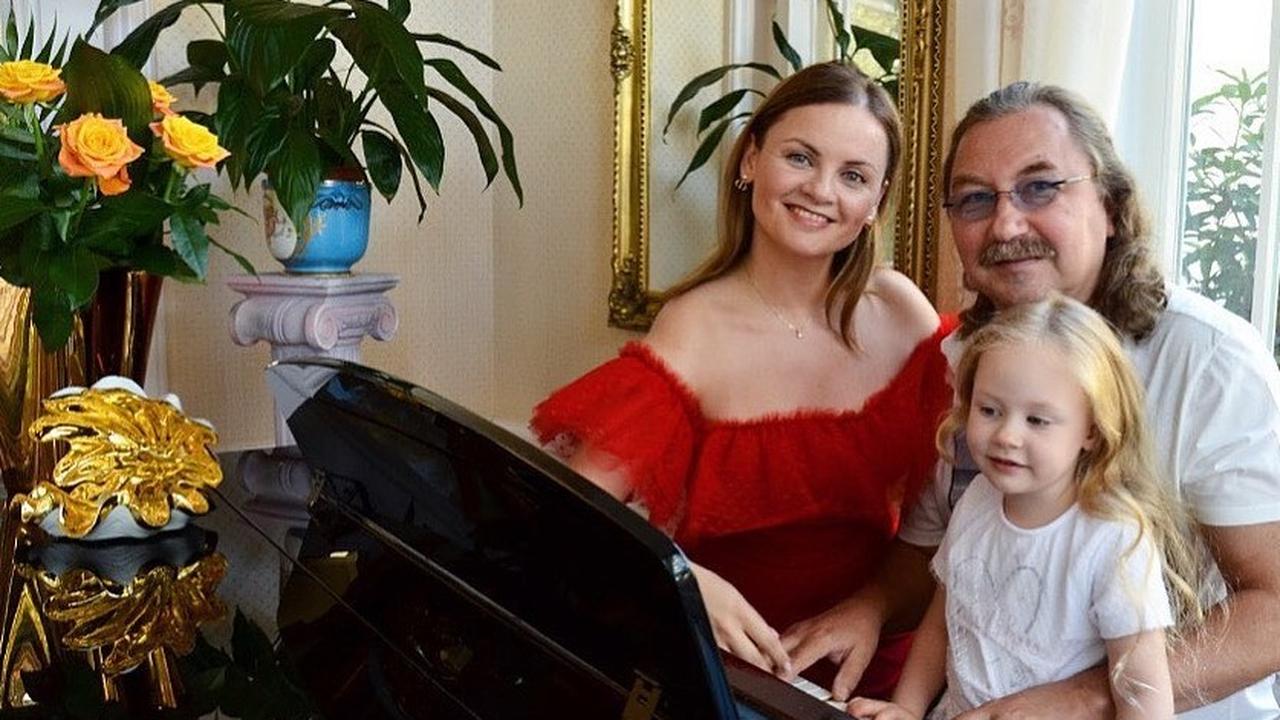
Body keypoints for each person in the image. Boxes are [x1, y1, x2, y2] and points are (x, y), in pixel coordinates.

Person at [786, 82, 1280, 718]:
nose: (1006, 223)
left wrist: (1081, 698)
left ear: (1110, 206)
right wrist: (871, 607)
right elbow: (941, 555)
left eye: (1040, 187)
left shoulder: (1209, 361)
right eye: (975, 198)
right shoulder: (963, 357)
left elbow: (1274, 607)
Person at [530, 62, 953, 696]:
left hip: (880, 668)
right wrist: (687, 579)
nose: (821, 190)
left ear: (875, 203)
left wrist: (872, 610)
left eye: (854, 176)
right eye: (801, 157)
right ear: (751, 159)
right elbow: (572, 512)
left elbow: (947, 517)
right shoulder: (693, 325)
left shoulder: (901, 312)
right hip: (735, 669)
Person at [846, 295, 1206, 720]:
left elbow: (1142, 691)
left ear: (1092, 429)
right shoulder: (977, 500)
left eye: (1037, 420)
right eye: (990, 410)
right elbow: (942, 625)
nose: (1007, 436)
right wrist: (906, 708)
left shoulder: (1114, 539)